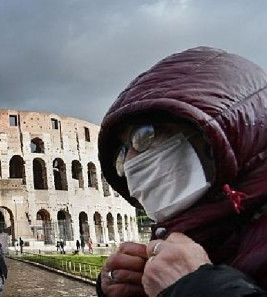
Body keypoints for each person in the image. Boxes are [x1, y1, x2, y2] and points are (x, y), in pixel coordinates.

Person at [96, 46, 267, 297]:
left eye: (144, 135)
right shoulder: (200, 234)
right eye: (121, 154)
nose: (129, 163)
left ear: (221, 131)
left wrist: (195, 288)